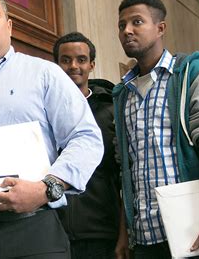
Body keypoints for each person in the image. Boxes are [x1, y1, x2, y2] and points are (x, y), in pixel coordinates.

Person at [0, 0, 104, 259]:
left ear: (9, 25)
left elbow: (86, 138)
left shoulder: (45, 74)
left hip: (33, 232)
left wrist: (46, 188)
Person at [113, 0, 199, 259]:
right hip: (144, 238)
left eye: (137, 22)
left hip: (192, 232)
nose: (127, 30)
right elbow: (125, 171)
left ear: (160, 28)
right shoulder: (122, 95)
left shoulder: (188, 75)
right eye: (121, 25)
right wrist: (124, 233)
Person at [53, 32, 126, 259]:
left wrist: (124, 233)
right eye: (65, 60)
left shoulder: (111, 111)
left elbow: (123, 176)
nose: (73, 66)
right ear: (56, 64)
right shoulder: (44, 111)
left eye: (81, 59)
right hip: (52, 231)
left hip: (102, 232)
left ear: (92, 64)